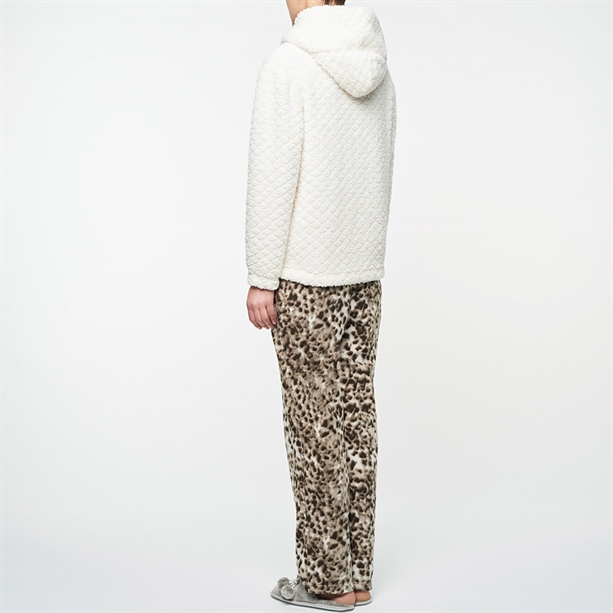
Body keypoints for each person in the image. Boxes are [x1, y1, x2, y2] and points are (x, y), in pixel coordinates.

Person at [244, 0, 396, 609]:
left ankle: (326, 583)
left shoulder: (288, 65)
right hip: (363, 273)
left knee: (314, 427)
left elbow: (270, 178)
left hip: (306, 275)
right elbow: (382, 166)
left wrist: (262, 275)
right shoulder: (378, 66)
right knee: (355, 417)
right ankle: (356, 576)